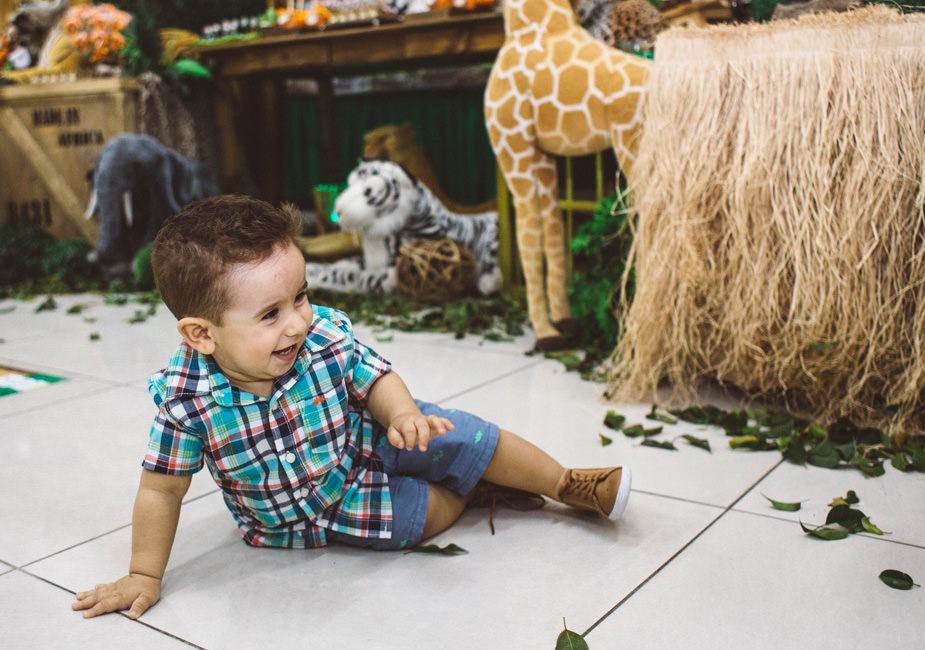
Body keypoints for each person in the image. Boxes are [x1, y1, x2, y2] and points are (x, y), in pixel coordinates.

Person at [72, 194, 631, 620]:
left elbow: (375, 376)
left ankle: (563, 482)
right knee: (425, 517)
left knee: (458, 434)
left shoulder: (321, 338)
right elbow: (160, 489)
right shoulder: (185, 402)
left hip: (365, 432)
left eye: (301, 295)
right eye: (271, 314)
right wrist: (143, 573)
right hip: (316, 513)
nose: (298, 320)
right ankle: (479, 488)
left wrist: (404, 413)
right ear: (201, 335)